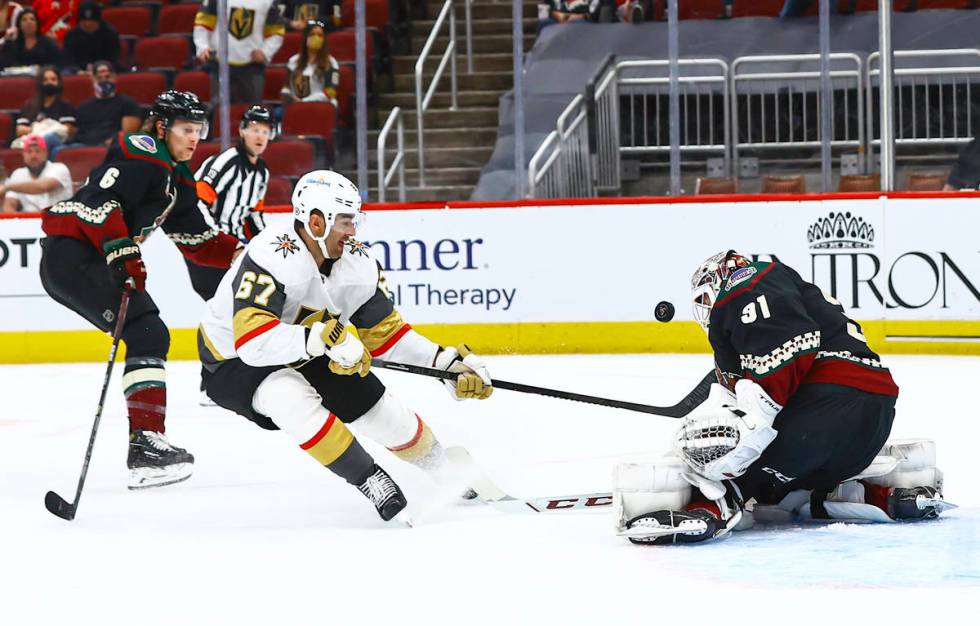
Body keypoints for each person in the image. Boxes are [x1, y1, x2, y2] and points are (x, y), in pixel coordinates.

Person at [197, 170, 494, 522]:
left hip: (309, 344)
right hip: (231, 358)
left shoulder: (358, 262)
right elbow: (253, 341)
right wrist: (319, 339)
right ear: (316, 221)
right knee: (288, 397)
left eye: (355, 219)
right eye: (344, 221)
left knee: (381, 412)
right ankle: (369, 479)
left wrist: (443, 363)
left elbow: (387, 334)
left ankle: (443, 468)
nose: (353, 230)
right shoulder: (270, 255)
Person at [613, 251, 952, 545]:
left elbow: (791, 348)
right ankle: (879, 495)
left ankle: (706, 505)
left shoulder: (746, 278)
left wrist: (751, 421)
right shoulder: (791, 295)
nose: (708, 310)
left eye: (706, 298)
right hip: (871, 421)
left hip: (823, 411)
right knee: (788, 492)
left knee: (719, 456)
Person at [39, 91, 243, 490]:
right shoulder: (141, 150)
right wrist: (122, 254)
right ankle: (145, 446)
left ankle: (145, 445)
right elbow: (101, 200)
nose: (194, 139)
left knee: (148, 333)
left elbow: (197, 240)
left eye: (199, 131)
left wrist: (244, 252)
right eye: (187, 130)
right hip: (72, 256)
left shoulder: (178, 177)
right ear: (162, 127)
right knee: (148, 332)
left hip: (88, 259)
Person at [190, 105, 275, 301]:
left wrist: (265, 245)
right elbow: (197, 202)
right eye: (255, 130)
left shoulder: (262, 172)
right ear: (242, 130)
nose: (260, 136)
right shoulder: (226, 162)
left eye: (265, 131)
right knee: (229, 303)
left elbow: (254, 216)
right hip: (208, 246)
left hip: (234, 248)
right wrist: (215, 238)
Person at [193, 0, 286, 103]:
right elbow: (203, 24)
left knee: (252, 112)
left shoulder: (270, 2)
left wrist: (265, 52)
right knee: (218, 112)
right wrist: (203, 47)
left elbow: (276, 31)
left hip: (252, 67)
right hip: (219, 65)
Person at [71, 61, 142, 147]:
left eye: (107, 77)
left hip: (111, 148)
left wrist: (104, 145)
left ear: (114, 77)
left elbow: (127, 135)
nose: (104, 81)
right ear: (92, 79)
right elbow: (75, 134)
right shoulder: (83, 107)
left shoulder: (127, 103)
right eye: (99, 78)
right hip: (82, 146)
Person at [0, 134, 72, 212]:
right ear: (23, 155)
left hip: (58, 219)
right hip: (29, 221)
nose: (33, 156)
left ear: (45, 153)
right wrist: (16, 222)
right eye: (29, 152)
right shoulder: (17, 174)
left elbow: (43, 187)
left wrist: (7, 187)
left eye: (38, 151)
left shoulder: (59, 168)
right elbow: (9, 204)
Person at [14, 65, 77, 153]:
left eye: (53, 79)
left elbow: (67, 130)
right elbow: (20, 130)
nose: (49, 82)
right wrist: (40, 129)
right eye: (45, 80)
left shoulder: (66, 106)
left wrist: (37, 130)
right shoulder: (29, 106)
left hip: (56, 144)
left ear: (59, 82)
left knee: (50, 139)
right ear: (40, 83)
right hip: (32, 143)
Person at [281, 19, 340, 108]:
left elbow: (330, 92)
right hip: (295, 105)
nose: (316, 38)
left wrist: (304, 101)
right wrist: (286, 94)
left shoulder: (331, 62)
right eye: (312, 34)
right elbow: (287, 86)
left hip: (321, 106)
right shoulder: (293, 61)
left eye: (320, 35)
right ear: (306, 38)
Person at [62, 2, 121, 73]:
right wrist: (78, 71)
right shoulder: (72, 35)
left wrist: (102, 69)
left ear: (99, 21)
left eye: (92, 23)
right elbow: (68, 60)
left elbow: (114, 59)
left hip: (104, 70)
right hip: (79, 71)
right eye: (84, 23)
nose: (88, 25)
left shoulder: (110, 34)